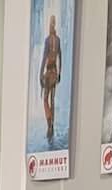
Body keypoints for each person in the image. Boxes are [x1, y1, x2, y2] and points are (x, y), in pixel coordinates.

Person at [40, 15, 63, 147]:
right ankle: (52, 126)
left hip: (48, 73)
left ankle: (49, 123)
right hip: (55, 72)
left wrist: (40, 74)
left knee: (45, 99)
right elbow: (60, 57)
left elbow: (44, 58)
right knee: (52, 100)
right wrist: (59, 73)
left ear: (50, 25)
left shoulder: (48, 40)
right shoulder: (58, 40)